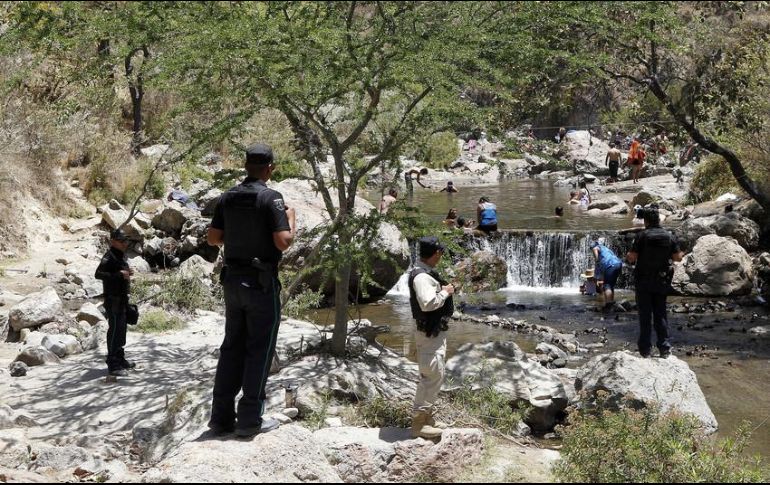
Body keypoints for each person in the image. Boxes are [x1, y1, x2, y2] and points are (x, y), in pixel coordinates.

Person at [206, 143, 297, 438]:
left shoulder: (227, 197)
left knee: (232, 346)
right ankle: (249, 419)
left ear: (245, 166)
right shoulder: (272, 198)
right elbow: (283, 241)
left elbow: (213, 239)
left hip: (232, 282)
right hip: (260, 284)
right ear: (270, 168)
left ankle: (220, 419)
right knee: (260, 348)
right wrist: (292, 219)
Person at [409, 236, 454, 440]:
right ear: (436, 253)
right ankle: (418, 424)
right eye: (441, 253)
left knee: (435, 374)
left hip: (432, 332)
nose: (441, 257)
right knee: (430, 376)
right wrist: (445, 293)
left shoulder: (424, 273)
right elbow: (427, 304)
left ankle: (426, 417)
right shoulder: (421, 277)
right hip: (428, 334)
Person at [626, 206, 684, 359]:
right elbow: (678, 257)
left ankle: (645, 350)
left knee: (645, 315)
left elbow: (632, 257)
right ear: (658, 219)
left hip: (643, 280)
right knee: (661, 314)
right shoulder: (669, 236)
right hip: (662, 280)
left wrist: (629, 256)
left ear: (645, 221)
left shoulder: (642, 236)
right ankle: (664, 348)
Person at [95, 229, 135, 377]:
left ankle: (120, 358)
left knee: (122, 330)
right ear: (113, 241)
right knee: (115, 330)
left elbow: (119, 273)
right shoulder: (109, 256)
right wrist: (119, 274)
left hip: (123, 299)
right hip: (113, 300)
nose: (125, 243)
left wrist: (127, 272)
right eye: (122, 241)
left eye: (126, 241)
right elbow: (98, 274)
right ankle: (112, 363)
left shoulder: (121, 255)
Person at [591, 238, 623, 309]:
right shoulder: (606, 249)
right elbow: (598, 278)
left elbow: (595, 249)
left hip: (610, 265)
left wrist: (596, 259)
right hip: (618, 264)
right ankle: (611, 302)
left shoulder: (597, 248)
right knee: (610, 285)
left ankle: (608, 305)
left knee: (607, 286)